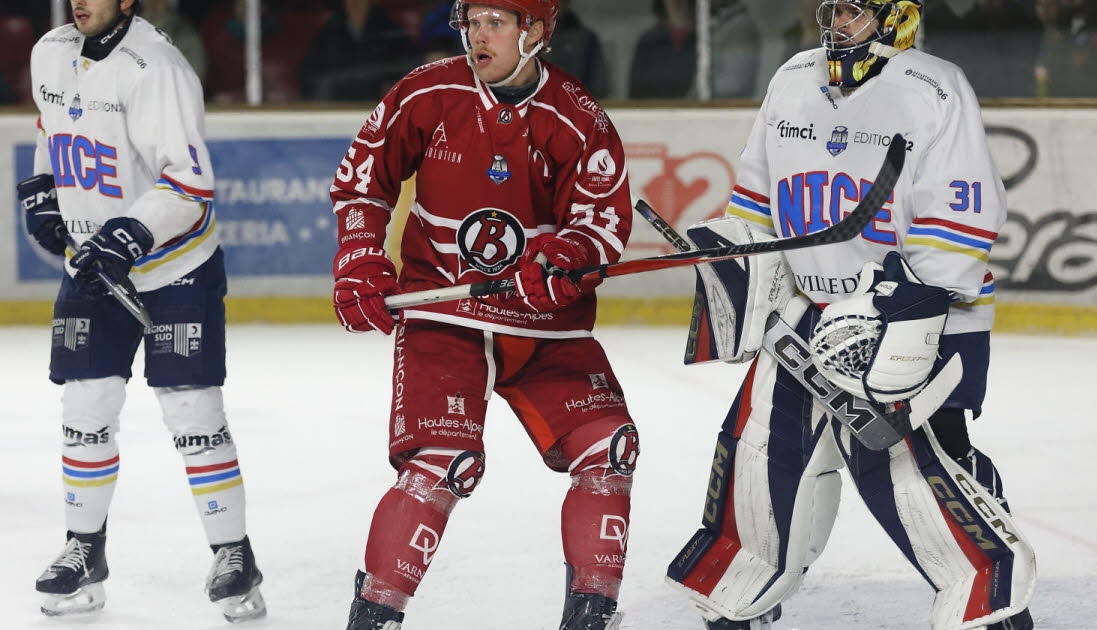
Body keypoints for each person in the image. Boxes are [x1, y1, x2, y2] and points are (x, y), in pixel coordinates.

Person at [664, 2, 1036, 629]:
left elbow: (965, 213)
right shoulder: (792, 78)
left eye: (856, 12)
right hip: (812, 313)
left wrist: (899, 303)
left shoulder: (934, 87)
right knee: (764, 445)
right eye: (833, 9)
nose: (838, 23)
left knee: (918, 462)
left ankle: (988, 596)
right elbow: (757, 201)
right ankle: (746, 583)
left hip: (920, 313)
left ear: (897, 19)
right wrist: (736, 254)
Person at [328, 1, 638, 629]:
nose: (477, 36)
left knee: (610, 449)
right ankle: (375, 614)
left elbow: (600, 223)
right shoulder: (427, 92)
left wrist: (563, 256)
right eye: (472, 22)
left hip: (543, 323)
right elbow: (364, 182)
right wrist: (359, 258)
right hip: (445, 310)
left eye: (495, 22)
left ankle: (591, 613)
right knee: (440, 463)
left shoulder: (578, 119)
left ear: (536, 33)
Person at [21, 0, 265, 622]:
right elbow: (52, 130)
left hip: (173, 266)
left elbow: (188, 184)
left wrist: (128, 234)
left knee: (192, 411)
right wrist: (45, 192)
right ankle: (84, 550)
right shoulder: (49, 51)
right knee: (85, 406)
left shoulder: (158, 67)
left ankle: (234, 556)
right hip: (94, 266)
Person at [297, 0, 420, 101]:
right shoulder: (328, 35)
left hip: (376, 110)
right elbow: (309, 76)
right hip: (337, 109)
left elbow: (410, 71)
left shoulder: (391, 33)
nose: (356, 3)